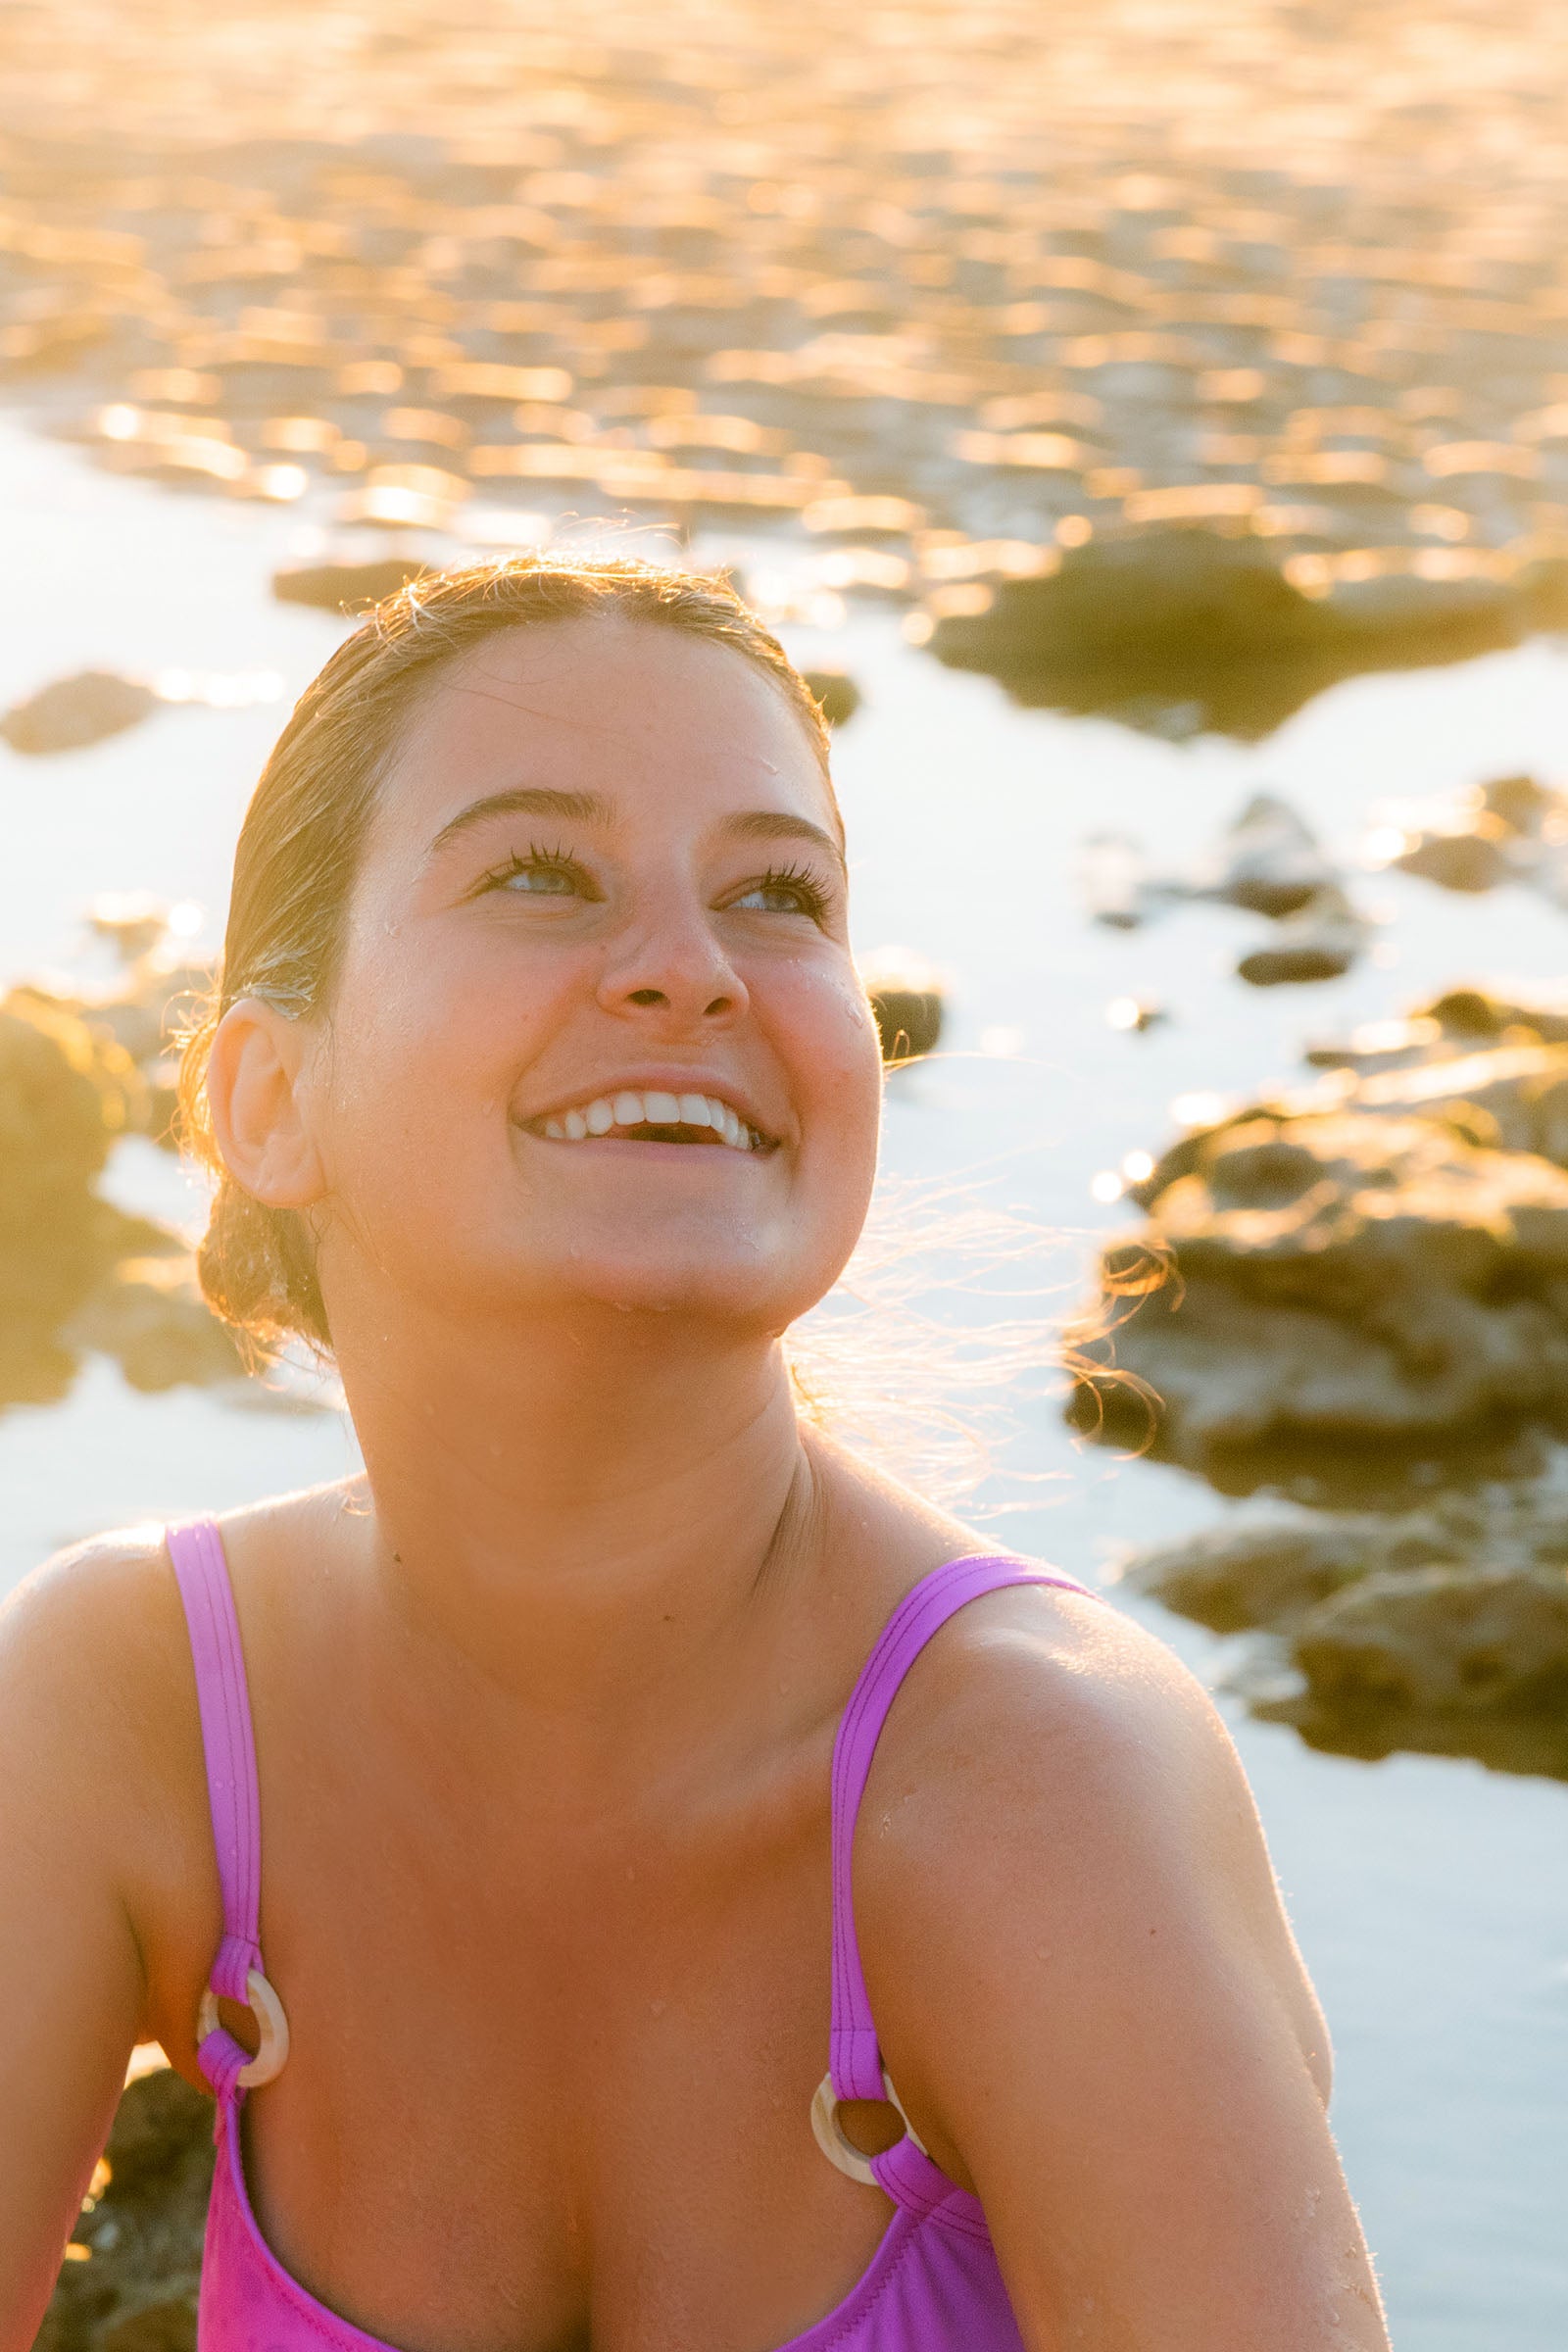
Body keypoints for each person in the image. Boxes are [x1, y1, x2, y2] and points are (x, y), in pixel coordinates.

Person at [0, 557, 1390, 2352]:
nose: (690, 971)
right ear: (271, 1096)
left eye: (778, 895)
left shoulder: (1037, 1791)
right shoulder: (132, 1708)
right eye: (538, 874)